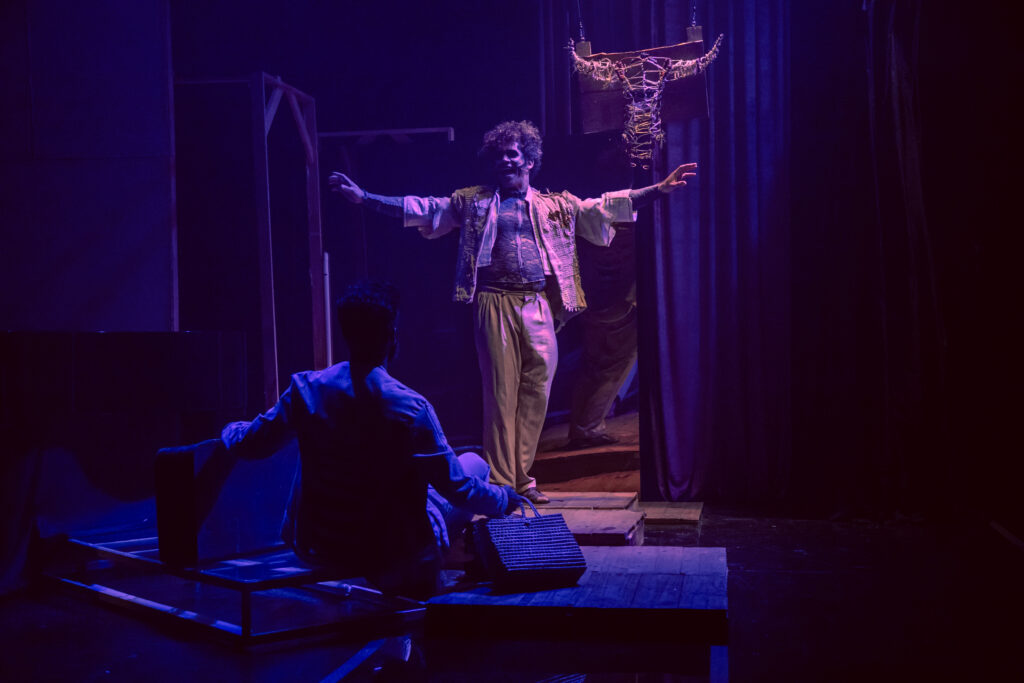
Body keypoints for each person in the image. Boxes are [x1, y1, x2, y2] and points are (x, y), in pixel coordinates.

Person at [329, 120, 696, 505]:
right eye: (499, 155)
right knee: (501, 394)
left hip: (537, 303)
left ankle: (522, 477)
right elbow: (423, 208)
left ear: (529, 160)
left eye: (512, 154)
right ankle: (504, 484)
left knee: (537, 390)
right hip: (495, 301)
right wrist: (365, 197)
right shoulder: (474, 203)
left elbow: (605, 206)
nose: (505, 160)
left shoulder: (555, 205)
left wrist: (659, 189)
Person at [220, 281, 519, 599]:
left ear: (346, 335)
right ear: (392, 335)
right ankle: (441, 557)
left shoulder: (306, 389)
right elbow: (459, 489)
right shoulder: (411, 407)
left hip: (317, 547)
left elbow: (250, 443)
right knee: (475, 465)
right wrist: (504, 499)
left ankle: (440, 545)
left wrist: (228, 429)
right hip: (389, 556)